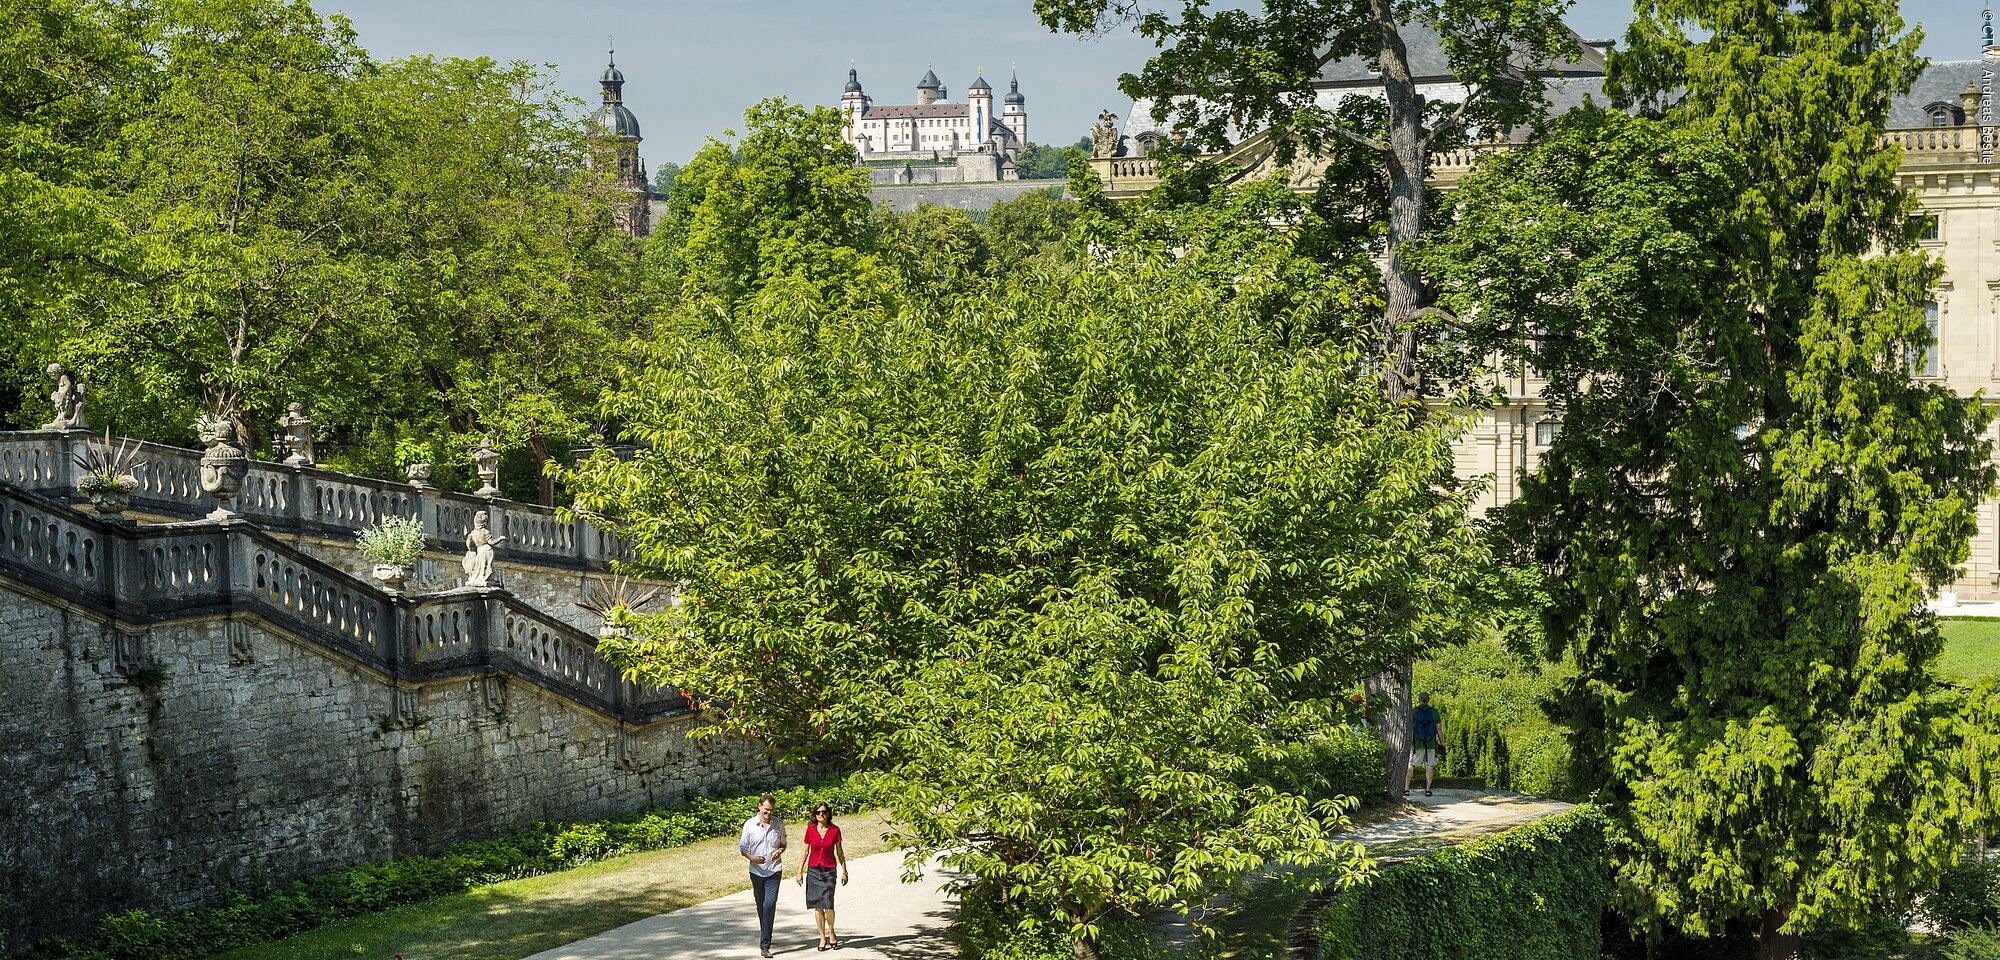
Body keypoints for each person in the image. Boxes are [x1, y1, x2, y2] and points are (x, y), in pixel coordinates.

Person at [796, 801, 850, 951]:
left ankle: (831, 931)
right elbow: (805, 851)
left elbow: (840, 852)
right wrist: (799, 871)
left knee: (828, 904)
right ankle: (822, 937)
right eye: (818, 812)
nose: (821, 814)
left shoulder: (834, 830)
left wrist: (844, 871)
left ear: (828, 814)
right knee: (817, 906)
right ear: (815, 814)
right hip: (813, 871)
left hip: (829, 871)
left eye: (824, 812)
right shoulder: (810, 830)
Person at [739, 794, 788, 957]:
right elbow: (743, 847)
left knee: (769, 904)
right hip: (756, 872)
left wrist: (779, 851)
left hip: (774, 870)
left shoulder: (778, 823)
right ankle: (765, 931)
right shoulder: (750, 825)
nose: (769, 813)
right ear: (759, 806)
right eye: (766, 810)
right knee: (761, 906)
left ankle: (765, 945)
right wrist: (751, 857)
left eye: (771, 811)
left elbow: (783, 843)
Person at [1406, 692, 1442, 797]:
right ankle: (1427, 790)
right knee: (1429, 765)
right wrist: (1442, 742)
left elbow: (1409, 727)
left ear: (1419, 700)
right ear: (1428, 700)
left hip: (1417, 743)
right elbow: (1438, 728)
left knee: (1411, 764)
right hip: (1431, 743)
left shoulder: (1414, 712)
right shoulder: (1434, 712)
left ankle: (1406, 789)